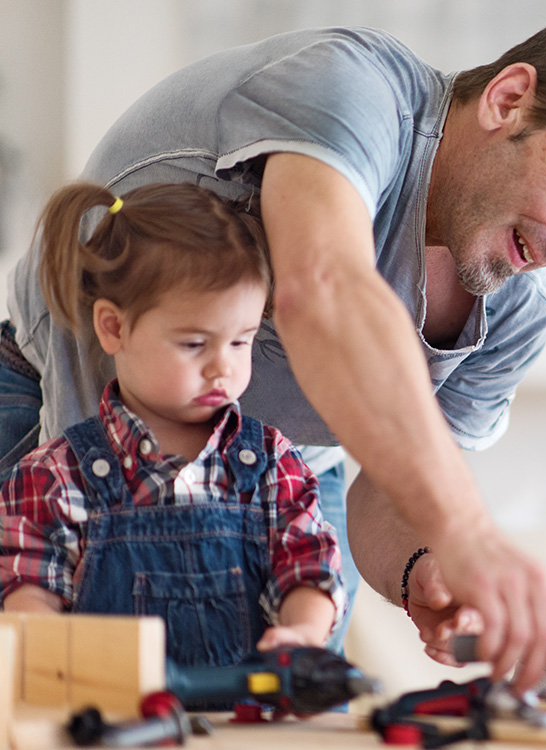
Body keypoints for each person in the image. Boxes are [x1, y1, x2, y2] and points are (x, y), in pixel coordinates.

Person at [0, 7, 546, 689]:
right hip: (50, 426)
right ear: (509, 100)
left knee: (292, 706)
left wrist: (424, 564)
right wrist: (465, 530)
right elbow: (323, 290)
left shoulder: (523, 301)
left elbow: (392, 482)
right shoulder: (351, 89)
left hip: (274, 480)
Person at [0, 182, 344, 670]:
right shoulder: (55, 476)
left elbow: (310, 565)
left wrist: (303, 631)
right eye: (194, 344)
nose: (222, 368)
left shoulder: (272, 464)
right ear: (113, 327)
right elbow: (27, 595)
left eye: (241, 342)